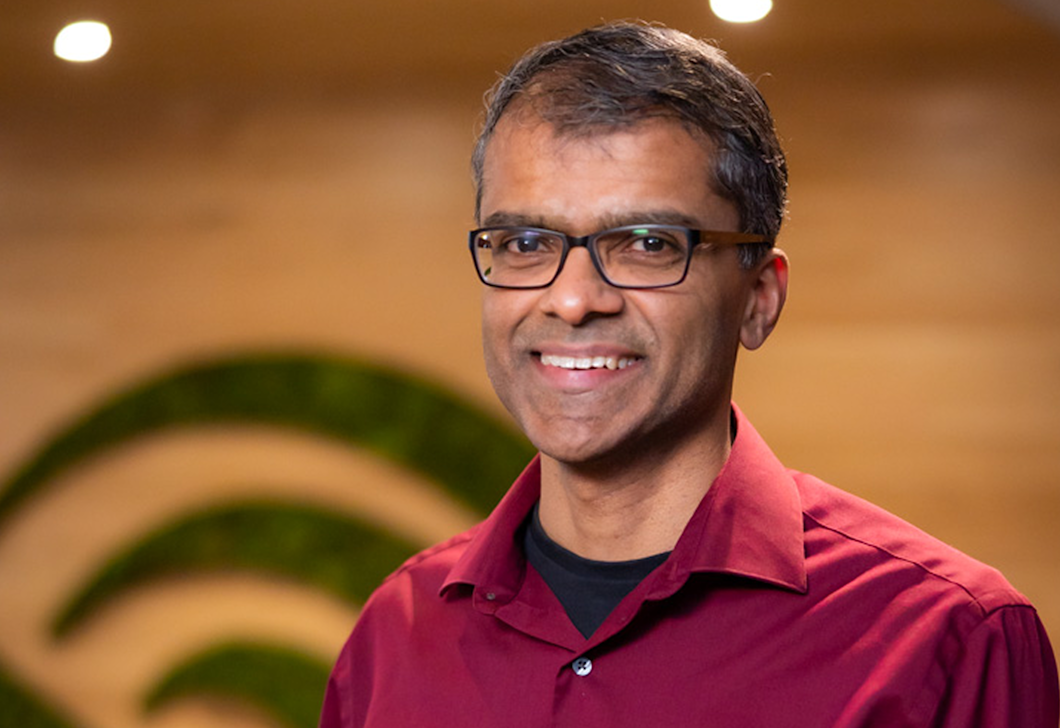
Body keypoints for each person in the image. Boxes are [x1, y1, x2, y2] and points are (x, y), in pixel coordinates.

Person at [319, 21, 1059, 727]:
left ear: (758, 299)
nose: (573, 299)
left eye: (646, 242)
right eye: (525, 242)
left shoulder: (950, 642)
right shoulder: (394, 637)